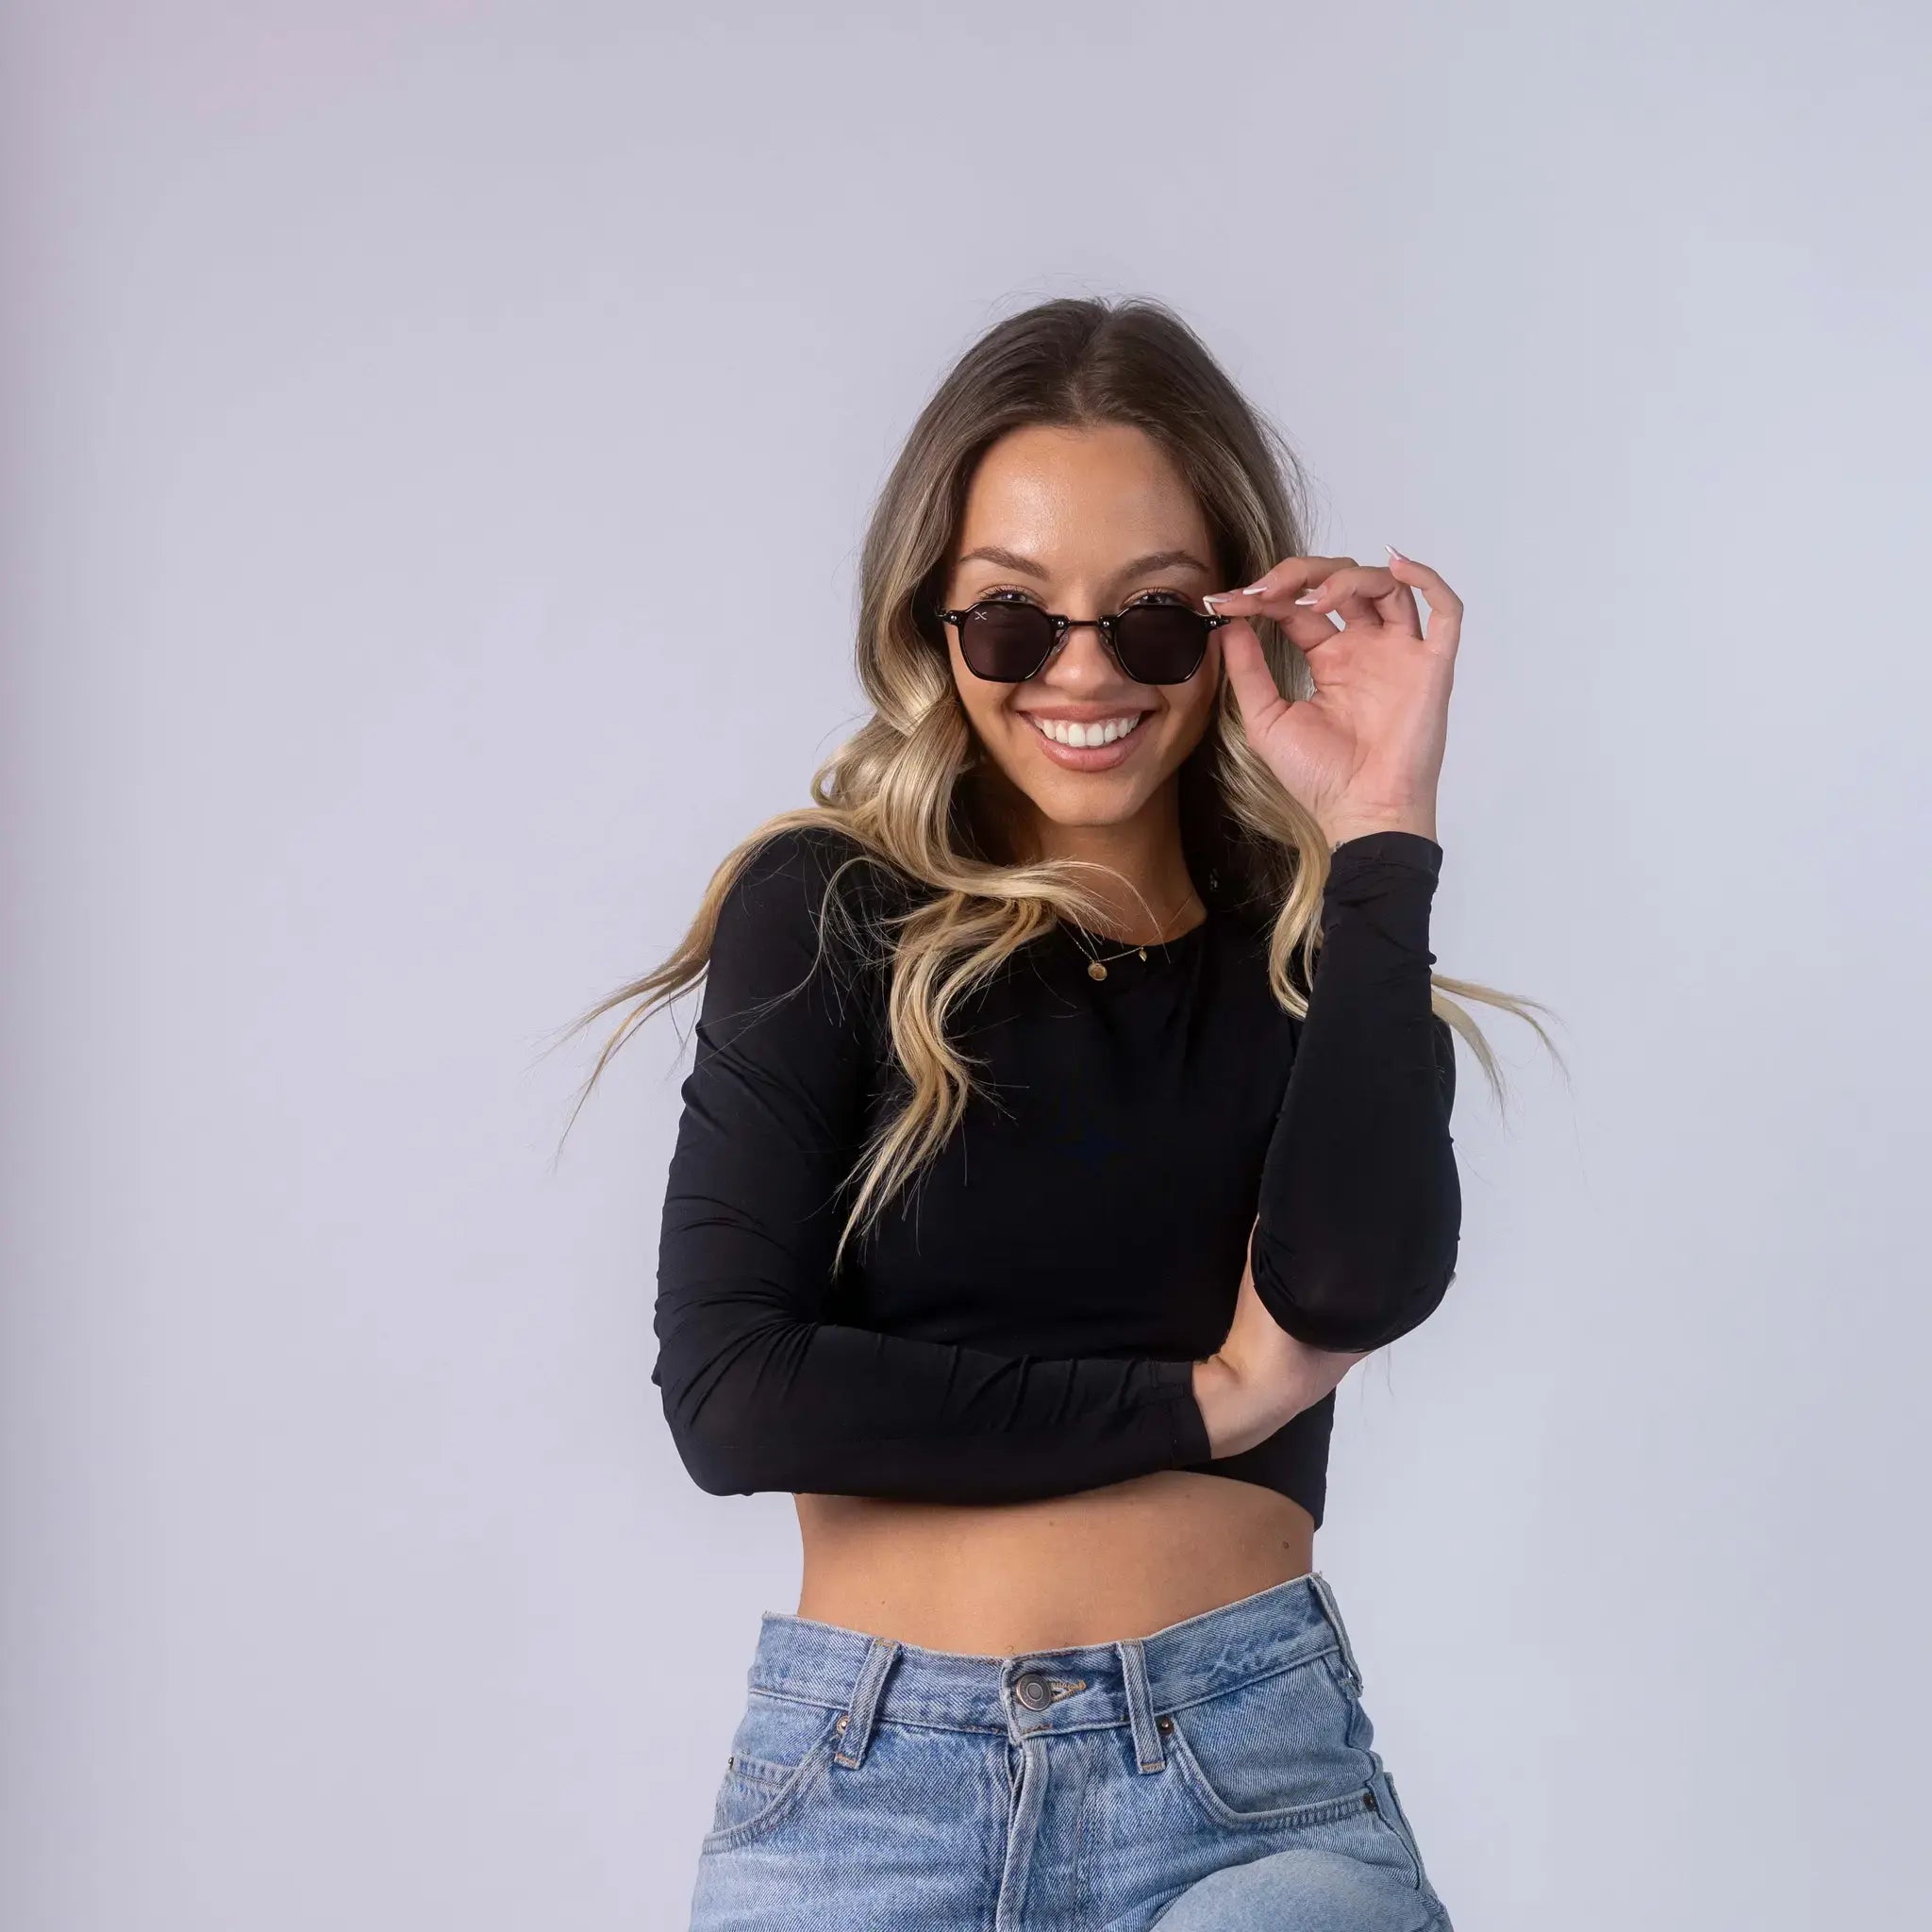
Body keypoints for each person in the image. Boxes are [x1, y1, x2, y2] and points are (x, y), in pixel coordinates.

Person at [568, 297, 1546, 1930]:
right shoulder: (828, 916)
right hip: (865, 1800)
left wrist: (1383, 821)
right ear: (932, 625)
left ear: (1237, 626)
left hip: (1248, 1797)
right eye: (1013, 619)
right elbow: (734, 1394)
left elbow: (1356, 1288)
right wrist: (1205, 1404)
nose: (1082, 674)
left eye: (1154, 619)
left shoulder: (1313, 964)